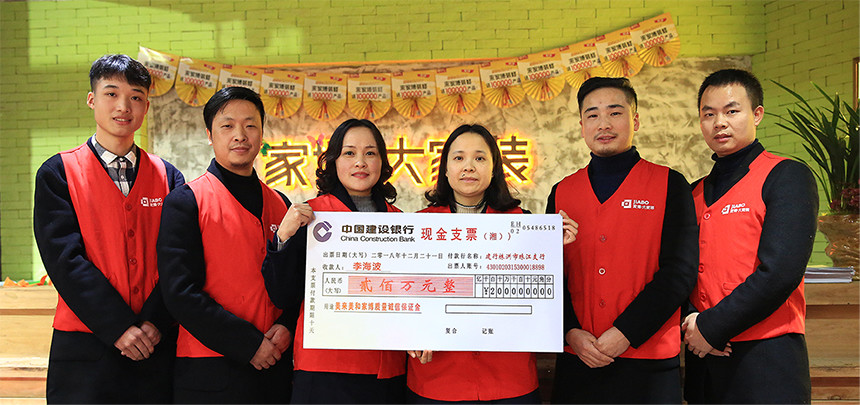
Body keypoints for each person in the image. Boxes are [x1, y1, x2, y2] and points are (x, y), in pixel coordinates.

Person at [33, 54, 184, 403]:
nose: (123, 106)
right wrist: (119, 327)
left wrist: (154, 322)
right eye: (111, 94)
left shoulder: (169, 177)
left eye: (135, 97)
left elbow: (178, 259)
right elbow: (64, 260)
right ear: (92, 99)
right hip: (84, 348)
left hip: (155, 344)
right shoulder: (57, 173)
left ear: (146, 106)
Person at [547, 77, 699, 403]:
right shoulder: (561, 192)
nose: (603, 124)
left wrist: (626, 333)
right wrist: (570, 332)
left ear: (636, 120)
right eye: (593, 115)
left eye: (615, 113)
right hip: (579, 358)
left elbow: (680, 272)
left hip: (649, 362)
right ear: (582, 126)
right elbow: (549, 275)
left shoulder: (670, 184)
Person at [405, 124, 577, 403]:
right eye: (458, 158)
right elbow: (402, 296)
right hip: (437, 379)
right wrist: (408, 332)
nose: (469, 166)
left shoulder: (524, 224)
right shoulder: (417, 226)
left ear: (495, 168)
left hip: (509, 379)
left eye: (480, 158)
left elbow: (542, 299)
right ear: (445, 169)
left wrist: (553, 251)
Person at [682, 69, 818, 404]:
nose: (719, 123)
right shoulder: (693, 192)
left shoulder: (786, 176)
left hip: (767, 359)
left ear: (757, 114)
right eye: (708, 114)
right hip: (704, 360)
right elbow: (681, 270)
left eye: (731, 111)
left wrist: (711, 328)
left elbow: (780, 272)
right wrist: (693, 323)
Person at [156, 86, 293, 403]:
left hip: (276, 367)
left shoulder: (281, 204)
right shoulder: (186, 202)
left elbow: (295, 280)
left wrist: (286, 325)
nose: (240, 136)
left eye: (250, 125)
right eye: (227, 126)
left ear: (261, 133)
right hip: (210, 371)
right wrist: (248, 344)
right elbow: (179, 293)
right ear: (210, 135)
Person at [262, 118, 406, 403]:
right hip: (325, 368)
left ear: (382, 161)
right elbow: (282, 295)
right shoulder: (310, 216)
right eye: (349, 153)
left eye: (370, 153)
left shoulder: (400, 221)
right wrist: (284, 237)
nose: (360, 162)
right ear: (333, 161)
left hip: (386, 367)